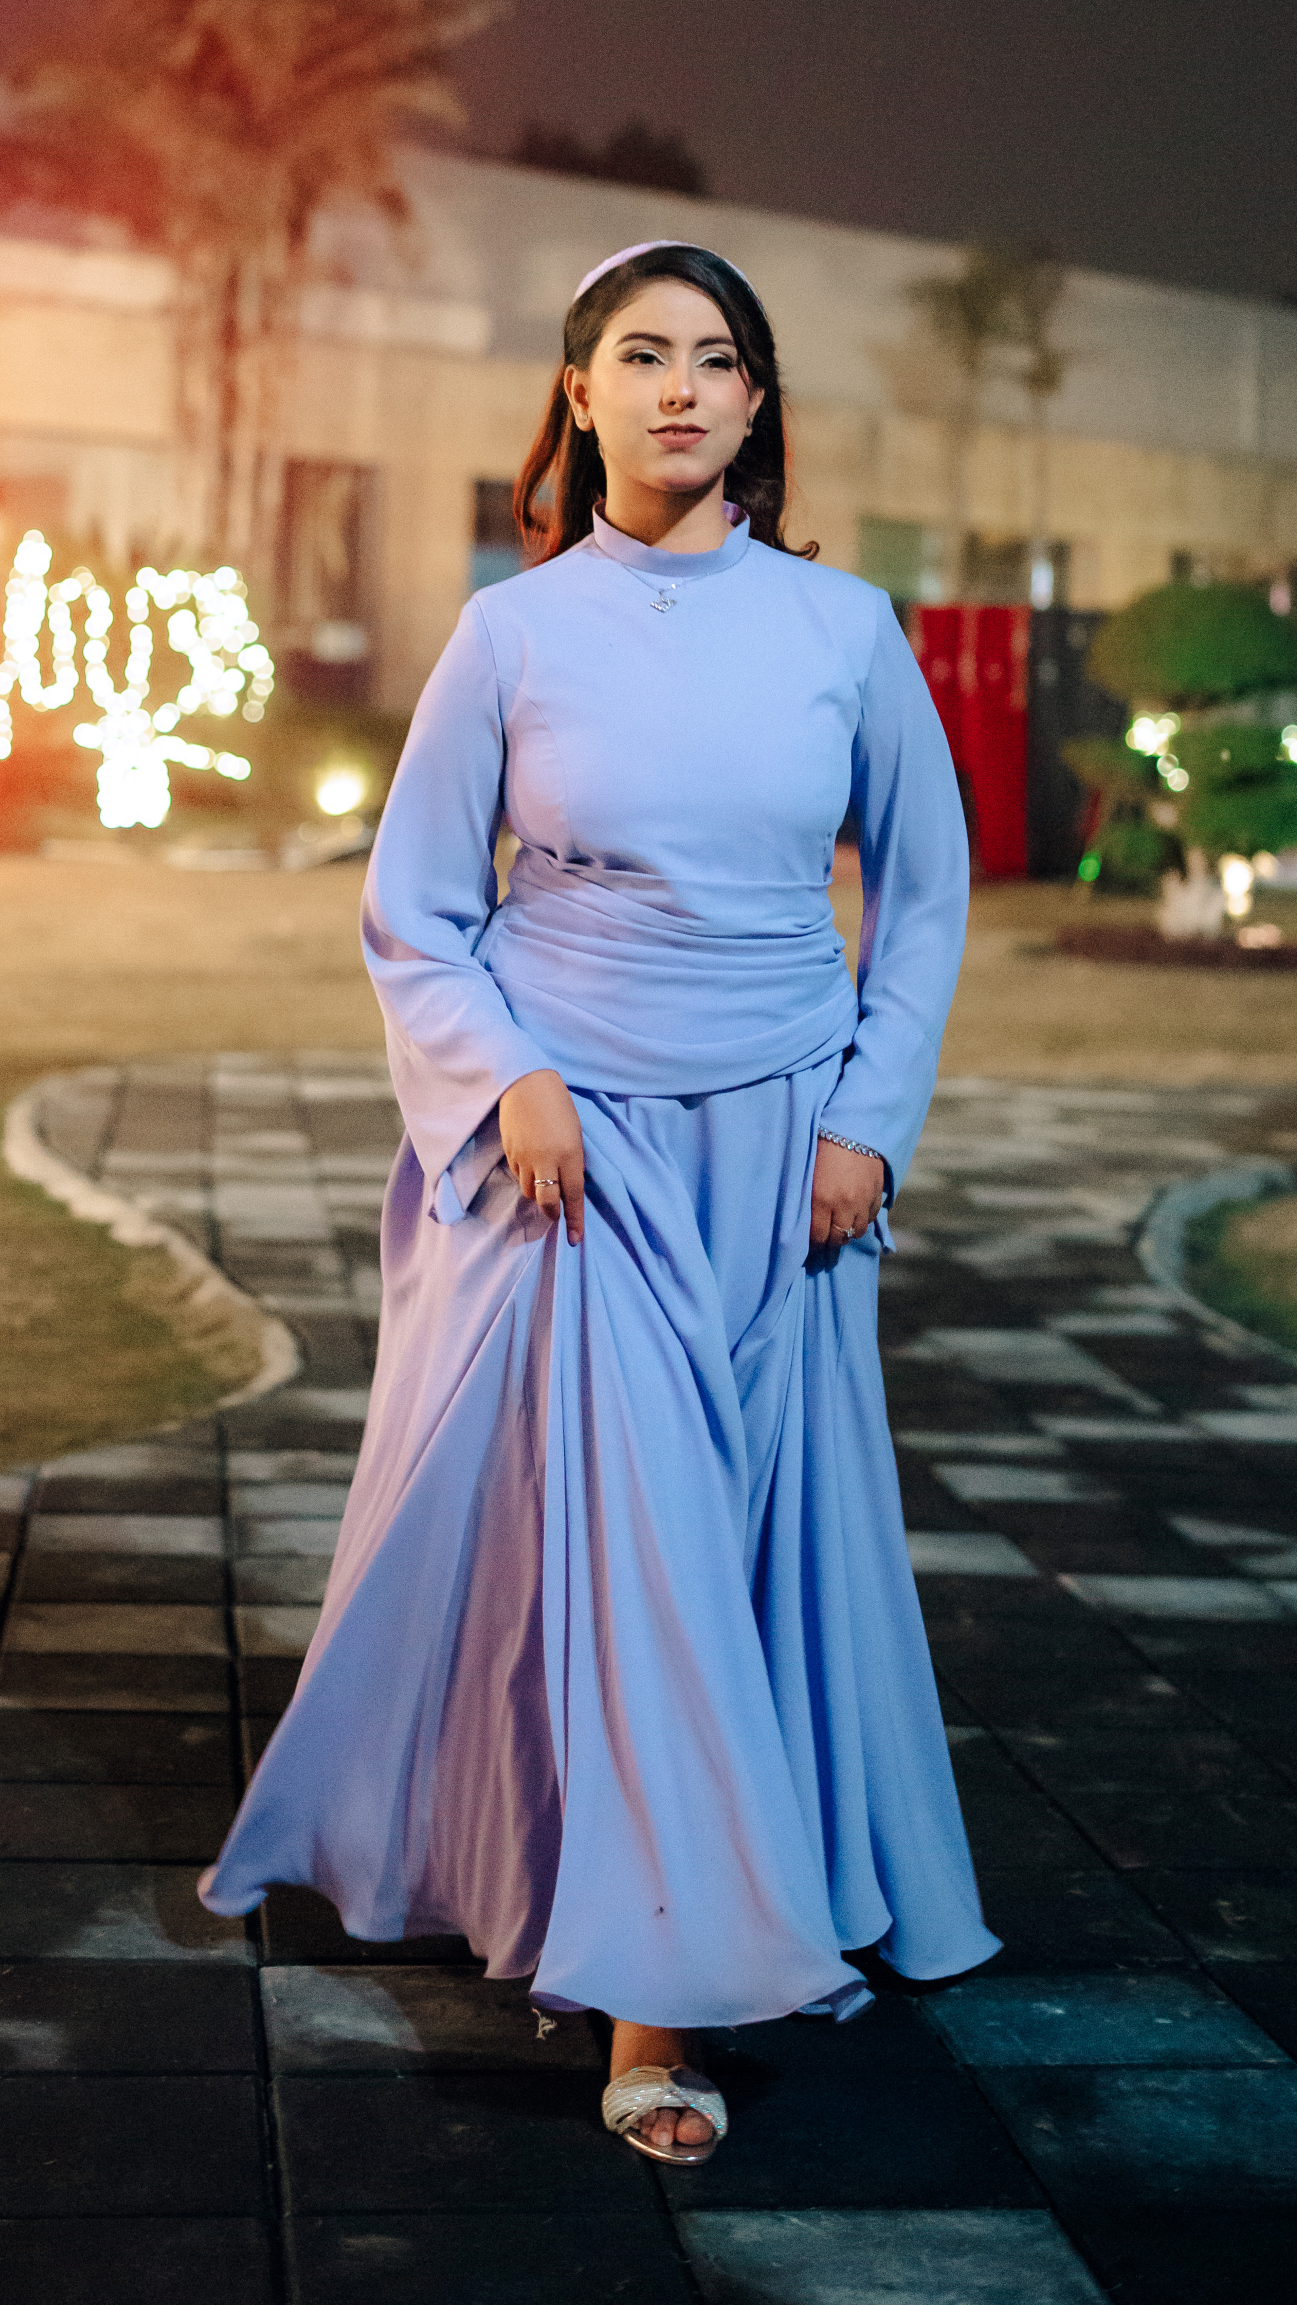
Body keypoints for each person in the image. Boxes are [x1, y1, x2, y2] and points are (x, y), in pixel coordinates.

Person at [200, 239, 1000, 2166]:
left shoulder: (848, 630)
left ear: (753, 402)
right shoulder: (512, 635)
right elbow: (416, 910)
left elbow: (928, 889)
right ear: (576, 393)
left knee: (729, 1544)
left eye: (716, 362)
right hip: (571, 1165)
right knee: (636, 1542)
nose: (679, 390)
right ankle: (662, 2015)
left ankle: (673, 1878)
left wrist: (870, 1122)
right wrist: (514, 1083)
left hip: (784, 1154)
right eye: (641, 356)